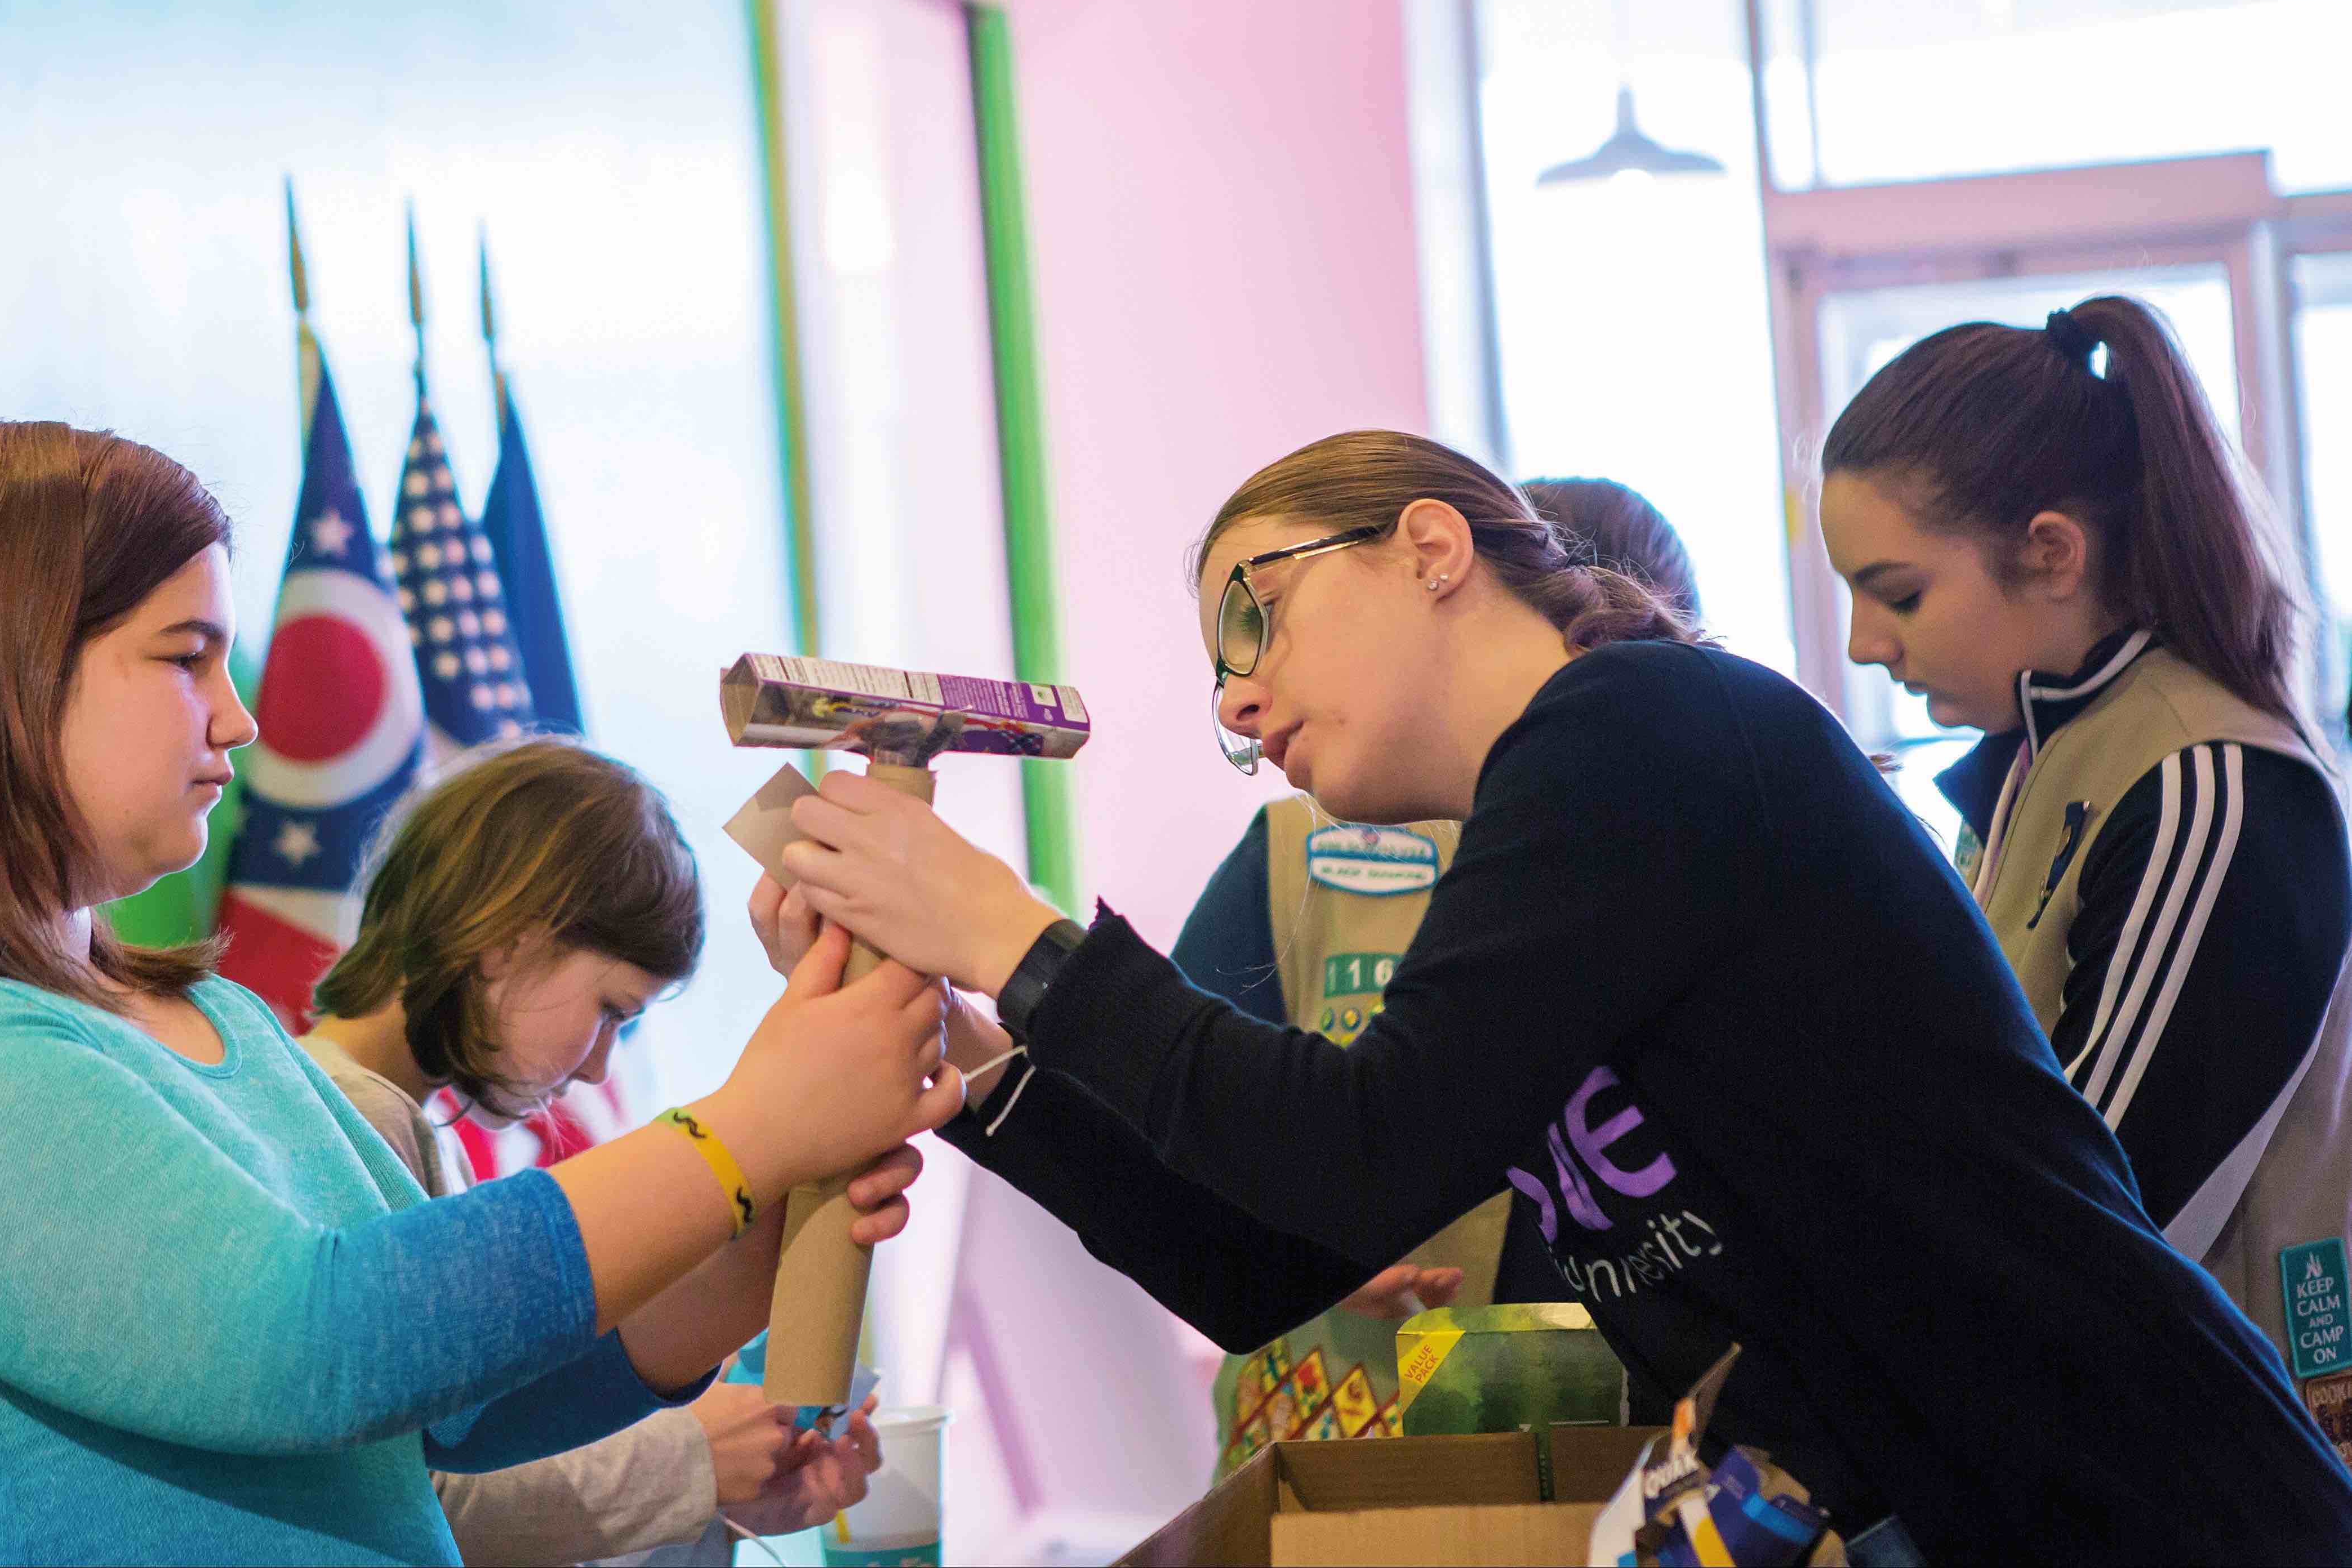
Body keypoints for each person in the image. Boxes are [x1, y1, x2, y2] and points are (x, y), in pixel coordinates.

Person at [758, 428, 2352, 1561]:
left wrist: (1023, 941)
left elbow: (1354, 1146)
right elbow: (1278, 1256)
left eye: (1258, 616)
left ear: (1431, 548)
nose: (1237, 695)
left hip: (2134, 1500)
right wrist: (975, 1070)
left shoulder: (1641, 732)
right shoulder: (1547, 843)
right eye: (1214, 676)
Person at [0, 420, 958, 1566]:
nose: (240, 715)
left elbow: (463, 1398)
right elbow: (311, 1341)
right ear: (2, 670)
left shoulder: (216, 1024)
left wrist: (751, 1223)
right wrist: (742, 1130)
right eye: (182, 658)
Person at [1820, 297, 2352, 1404]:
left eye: (1899, 593)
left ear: (2050, 552)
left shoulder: (2202, 778)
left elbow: (2089, 1210)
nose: (1867, 645)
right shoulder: (2042, 757)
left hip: (2230, 1464)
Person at [1172, 476, 1702, 1475]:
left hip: (1647, 1424)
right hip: (1357, 1428)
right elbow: (1173, 1118)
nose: (1247, 705)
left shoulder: (1702, 837)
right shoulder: (1299, 855)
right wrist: (1302, 1220)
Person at [299, 734, 881, 1566]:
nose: (602, 1064)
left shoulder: (408, 1128)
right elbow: (405, 1497)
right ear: (507, 941)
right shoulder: (351, 1124)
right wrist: (691, 1460)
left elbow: (474, 1442)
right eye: (613, 1008)